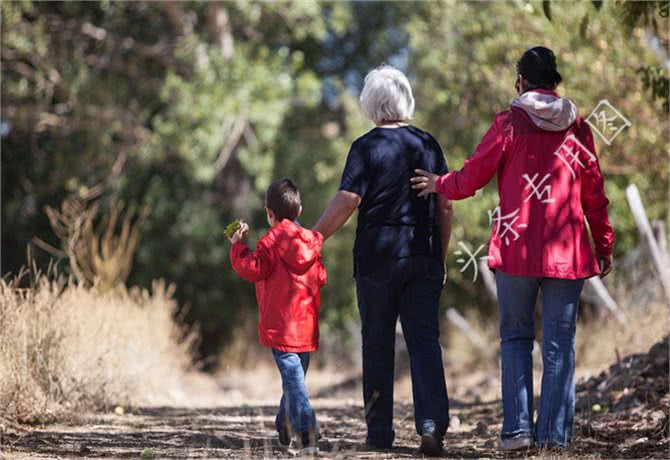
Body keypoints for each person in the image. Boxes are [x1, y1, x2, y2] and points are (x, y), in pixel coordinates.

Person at [411, 46, 615, 450]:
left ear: (521, 80)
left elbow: (472, 177)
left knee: (516, 338)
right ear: (554, 81)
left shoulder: (508, 124)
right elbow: (594, 193)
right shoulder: (579, 129)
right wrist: (603, 241)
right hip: (568, 253)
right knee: (560, 343)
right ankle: (554, 439)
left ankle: (517, 431)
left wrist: (440, 184)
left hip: (517, 248)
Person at [313, 65, 453, 456]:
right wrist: (438, 259)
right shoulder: (428, 144)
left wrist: (315, 236)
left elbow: (348, 199)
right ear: (405, 100)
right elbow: (445, 207)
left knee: (376, 344)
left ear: (371, 105)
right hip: (422, 256)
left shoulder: (365, 147)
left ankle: (379, 435)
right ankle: (430, 427)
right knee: (424, 342)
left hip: (376, 260)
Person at [229, 178, 327, 454]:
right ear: (299, 210)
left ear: (269, 212)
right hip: (306, 326)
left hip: (281, 326)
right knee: (294, 379)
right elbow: (321, 276)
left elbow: (253, 268)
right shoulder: (311, 241)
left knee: (293, 379)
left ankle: (306, 433)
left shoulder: (269, 242)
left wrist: (237, 246)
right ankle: (284, 427)